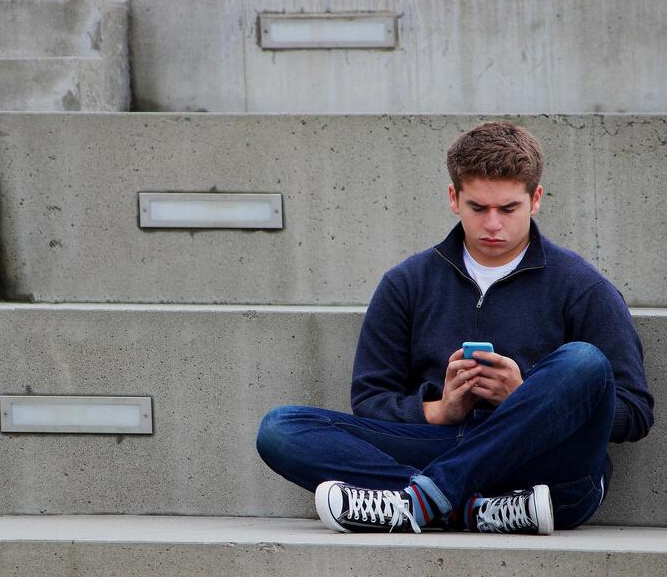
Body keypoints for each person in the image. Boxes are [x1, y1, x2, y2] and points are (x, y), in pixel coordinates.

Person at [256, 121, 654, 535]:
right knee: (281, 429)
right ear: (454, 198)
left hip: (546, 469)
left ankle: (422, 501)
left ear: (535, 199)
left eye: (508, 208)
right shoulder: (407, 283)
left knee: (583, 362)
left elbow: (635, 412)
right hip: (449, 449)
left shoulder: (582, 286)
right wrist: (440, 410)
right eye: (478, 208)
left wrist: (526, 400)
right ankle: (465, 509)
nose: (493, 224)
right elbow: (371, 398)